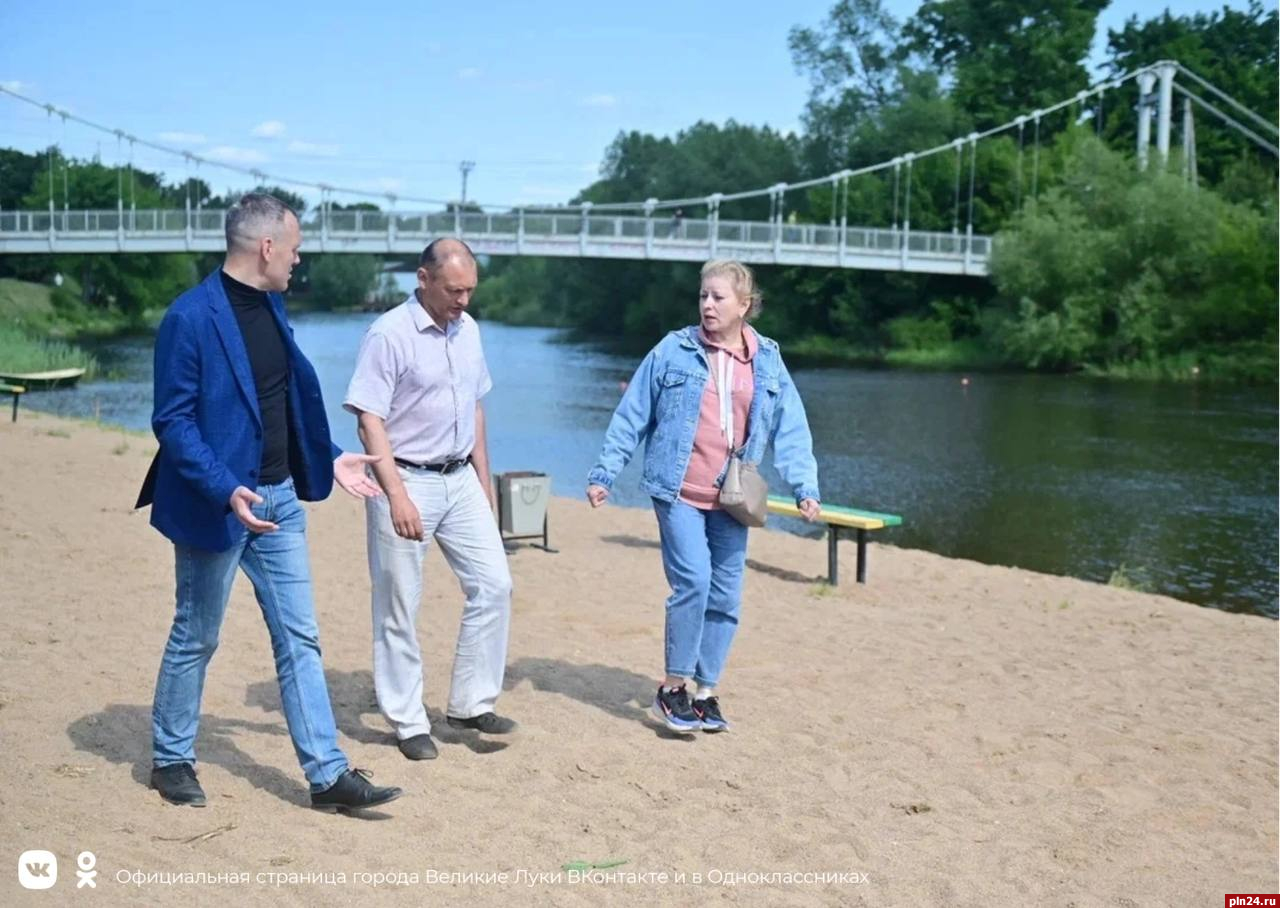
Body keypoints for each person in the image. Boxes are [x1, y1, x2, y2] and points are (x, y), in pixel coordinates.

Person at [137, 193, 403, 813]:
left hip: (279, 500)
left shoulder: (273, 306)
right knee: (197, 635)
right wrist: (225, 488)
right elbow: (173, 422)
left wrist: (329, 456)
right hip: (219, 504)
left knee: (299, 637)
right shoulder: (189, 318)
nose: (299, 257)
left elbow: (279, 401)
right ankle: (171, 758)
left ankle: (327, 775)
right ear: (266, 247)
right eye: (295, 246)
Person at [586, 259, 820, 734]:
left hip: (734, 496)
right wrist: (605, 473)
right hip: (678, 490)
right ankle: (673, 687)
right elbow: (633, 413)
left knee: (727, 593)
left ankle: (705, 691)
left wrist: (804, 487)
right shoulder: (674, 350)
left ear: (745, 305)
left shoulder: (768, 359)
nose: (708, 305)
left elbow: (790, 427)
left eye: (718, 297)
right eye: (703, 296)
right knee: (693, 580)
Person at [344, 238, 515, 762]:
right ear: (423, 279)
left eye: (470, 291)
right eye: (454, 290)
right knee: (399, 603)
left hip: (461, 476)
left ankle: (469, 703)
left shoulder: (470, 330)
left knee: (495, 584)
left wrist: (485, 486)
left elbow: (476, 408)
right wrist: (395, 495)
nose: (463, 300)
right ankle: (408, 721)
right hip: (405, 476)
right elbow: (368, 416)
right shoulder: (388, 335)